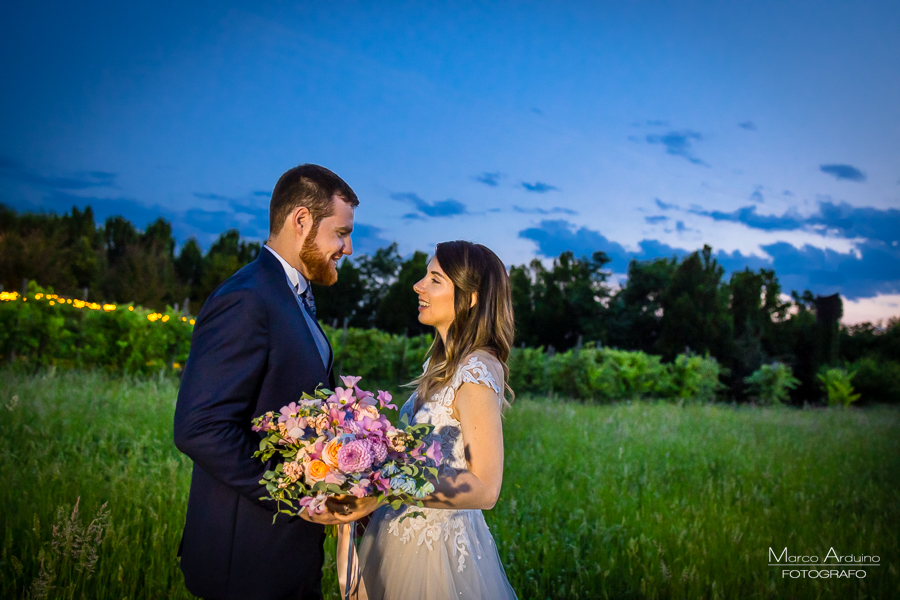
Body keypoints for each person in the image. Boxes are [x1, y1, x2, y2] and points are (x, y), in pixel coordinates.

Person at [174, 164, 378, 600]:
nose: (349, 247)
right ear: (301, 219)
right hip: (246, 559)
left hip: (287, 557)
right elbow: (200, 428)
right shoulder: (247, 297)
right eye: (341, 233)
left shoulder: (293, 298)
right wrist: (300, 496)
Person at [358, 240, 519, 599]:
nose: (419, 285)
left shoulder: (475, 372)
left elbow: (485, 488)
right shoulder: (440, 364)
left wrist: (389, 485)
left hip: (434, 552)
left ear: (471, 297)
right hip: (397, 533)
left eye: (435, 279)